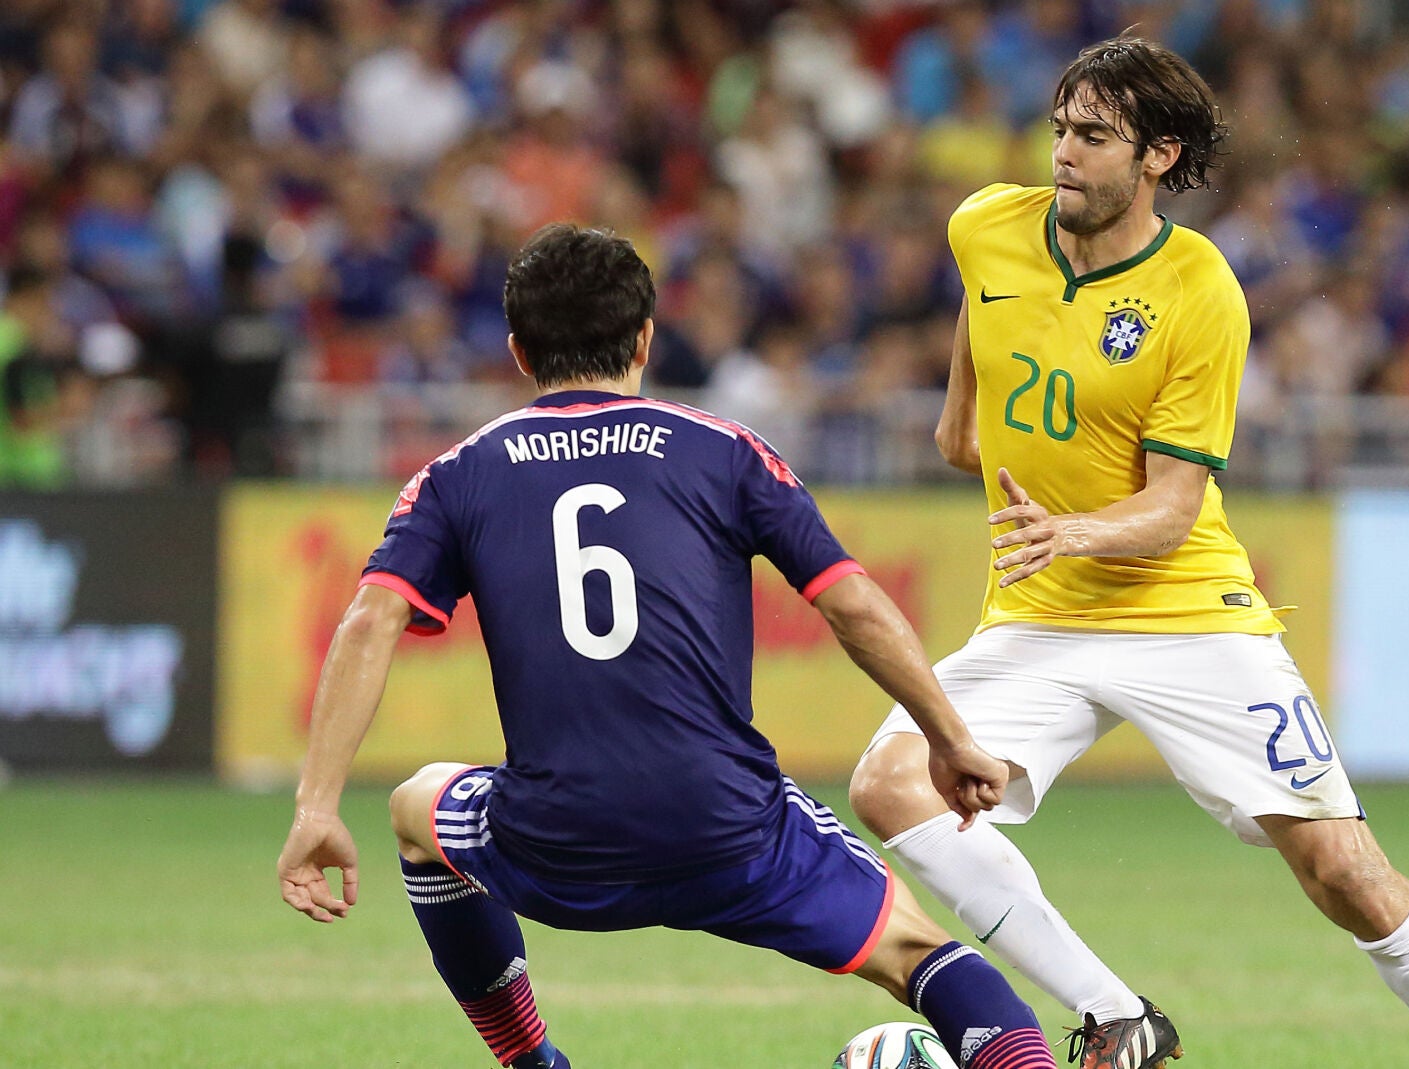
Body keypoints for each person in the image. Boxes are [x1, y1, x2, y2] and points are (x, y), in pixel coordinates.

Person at [848, 37, 1409, 1069]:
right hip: (1040, 618)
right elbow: (972, 371)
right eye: (1060, 130)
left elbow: (1173, 507)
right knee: (890, 783)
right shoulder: (985, 226)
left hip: (1184, 610)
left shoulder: (1199, 289)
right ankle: (1117, 1013)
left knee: (1343, 871)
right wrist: (967, 435)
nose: (1064, 154)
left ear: (1159, 155)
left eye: (1092, 136)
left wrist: (1068, 527)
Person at [275, 224, 1061, 1069]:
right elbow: (856, 607)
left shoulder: (457, 472)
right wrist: (949, 738)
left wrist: (316, 807)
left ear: (517, 350)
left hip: (555, 835)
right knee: (922, 955)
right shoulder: (722, 449)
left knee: (416, 805)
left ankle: (531, 1061)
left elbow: (368, 621)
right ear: (647, 335)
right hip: (729, 829)